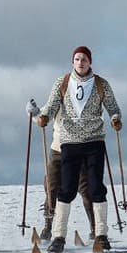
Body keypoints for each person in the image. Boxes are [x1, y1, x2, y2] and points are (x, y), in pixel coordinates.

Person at [36, 46, 122, 253]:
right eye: (77, 59)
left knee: (95, 188)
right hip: (69, 142)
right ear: (72, 62)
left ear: (90, 62)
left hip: (94, 141)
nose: (80, 62)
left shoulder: (101, 84)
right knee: (66, 189)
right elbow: (52, 104)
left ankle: (101, 234)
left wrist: (115, 118)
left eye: (84, 59)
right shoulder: (63, 82)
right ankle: (59, 236)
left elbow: (113, 107)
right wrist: (44, 116)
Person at [25, 99, 96, 241]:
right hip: (58, 150)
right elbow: (42, 117)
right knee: (51, 187)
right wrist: (33, 113)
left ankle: (95, 228)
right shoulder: (58, 99)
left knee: (86, 190)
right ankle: (48, 228)